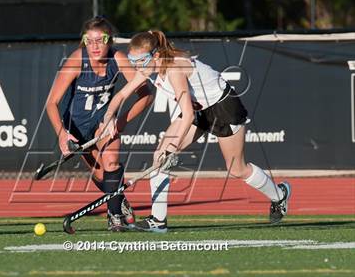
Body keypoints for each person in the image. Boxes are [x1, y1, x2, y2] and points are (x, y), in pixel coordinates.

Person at [100, 30, 291, 233]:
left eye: (141, 60)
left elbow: (188, 115)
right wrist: (108, 116)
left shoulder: (174, 68)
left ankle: (280, 195)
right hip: (198, 110)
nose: (137, 66)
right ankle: (158, 221)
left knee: (237, 169)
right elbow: (122, 94)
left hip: (223, 108)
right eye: (132, 60)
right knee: (159, 155)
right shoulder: (148, 68)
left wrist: (172, 149)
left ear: (155, 55)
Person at [46, 17, 153, 231]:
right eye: (89, 40)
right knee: (102, 177)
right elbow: (51, 103)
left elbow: (146, 94)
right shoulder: (77, 61)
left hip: (102, 121)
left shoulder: (118, 58)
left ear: (109, 40)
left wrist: (120, 121)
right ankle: (118, 198)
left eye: (100, 40)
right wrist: (61, 134)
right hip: (76, 127)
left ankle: (114, 218)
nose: (95, 46)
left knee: (112, 162)